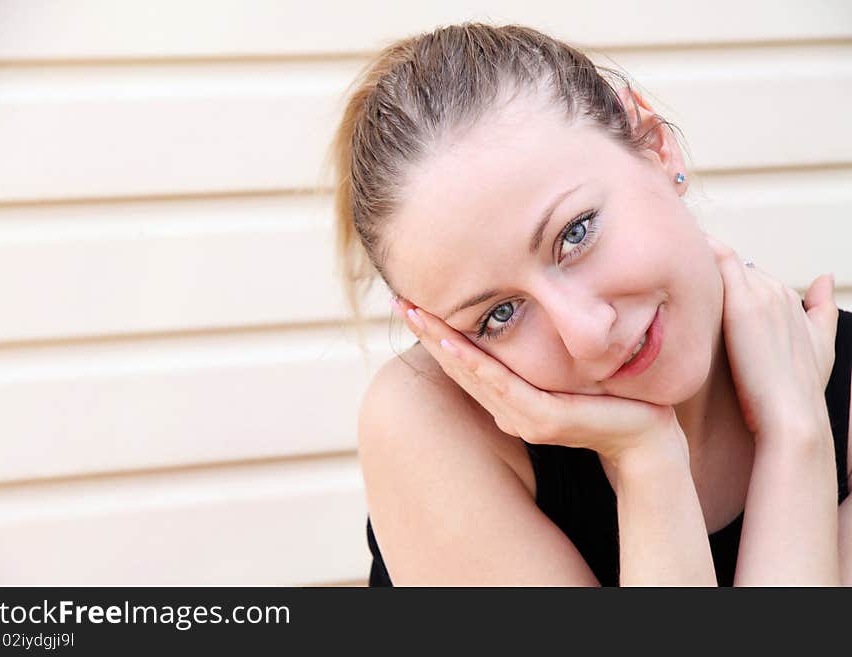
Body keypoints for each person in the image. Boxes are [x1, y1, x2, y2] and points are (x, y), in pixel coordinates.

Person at [327, 22, 851, 585]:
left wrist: (796, 436)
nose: (586, 332)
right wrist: (647, 459)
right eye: (498, 315)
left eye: (575, 234)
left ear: (653, 142)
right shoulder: (428, 422)